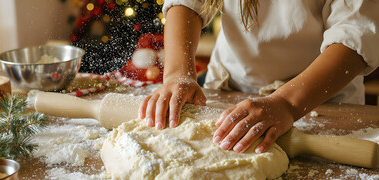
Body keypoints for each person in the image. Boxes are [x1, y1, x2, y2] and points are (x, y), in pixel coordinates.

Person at [138, 0, 379, 154]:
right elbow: (188, 4)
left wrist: (287, 103)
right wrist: (177, 74)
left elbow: (356, 32)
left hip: (322, 99)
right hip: (230, 91)